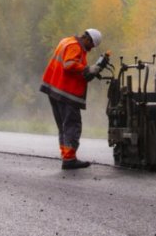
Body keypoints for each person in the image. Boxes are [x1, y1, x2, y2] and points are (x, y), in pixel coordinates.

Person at [39, 28, 109, 170]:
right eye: (91, 45)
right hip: (66, 93)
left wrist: (90, 71)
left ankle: (67, 156)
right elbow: (69, 64)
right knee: (72, 125)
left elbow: (74, 70)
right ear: (88, 39)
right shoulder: (75, 46)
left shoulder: (66, 41)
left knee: (64, 127)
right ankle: (69, 159)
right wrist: (88, 69)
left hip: (55, 90)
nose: (91, 49)